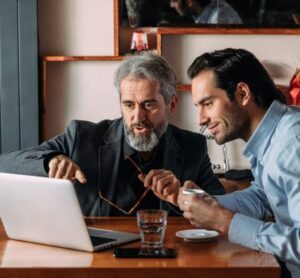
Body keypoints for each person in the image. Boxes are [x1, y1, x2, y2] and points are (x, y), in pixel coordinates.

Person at [0, 53, 224, 217]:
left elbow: (220, 206)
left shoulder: (192, 146)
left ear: (171, 104)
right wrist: (49, 160)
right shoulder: (82, 137)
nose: (138, 116)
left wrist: (183, 196)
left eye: (149, 105)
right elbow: (5, 165)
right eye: (128, 105)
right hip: (98, 260)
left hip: (165, 260)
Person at [177, 48, 300, 277]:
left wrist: (226, 222)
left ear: (243, 93)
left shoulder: (292, 144)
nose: (201, 119)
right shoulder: (272, 136)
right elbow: (265, 196)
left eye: (208, 103)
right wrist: (209, 204)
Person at [169, 0, 242, 25]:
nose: (171, 5)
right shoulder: (199, 16)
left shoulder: (219, 16)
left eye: (175, 1)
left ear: (189, 2)